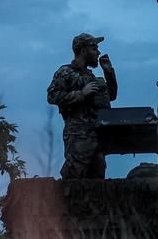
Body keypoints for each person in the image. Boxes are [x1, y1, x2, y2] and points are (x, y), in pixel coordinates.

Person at [47, 32, 117, 179]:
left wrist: (109, 73)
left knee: (97, 178)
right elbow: (52, 96)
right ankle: (58, 200)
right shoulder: (66, 72)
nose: (98, 52)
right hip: (78, 135)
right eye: (94, 48)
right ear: (83, 51)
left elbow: (111, 96)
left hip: (96, 135)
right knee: (74, 175)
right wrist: (81, 94)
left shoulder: (91, 77)